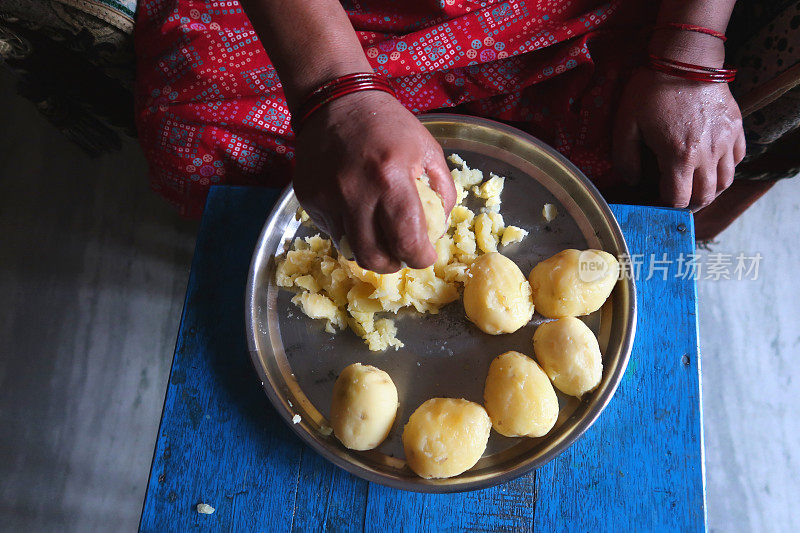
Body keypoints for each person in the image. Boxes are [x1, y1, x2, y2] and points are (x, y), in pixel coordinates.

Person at [135, 0, 745, 272]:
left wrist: (688, 52)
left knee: (639, 164)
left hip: (569, 17)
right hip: (350, 15)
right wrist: (333, 89)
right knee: (189, 138)